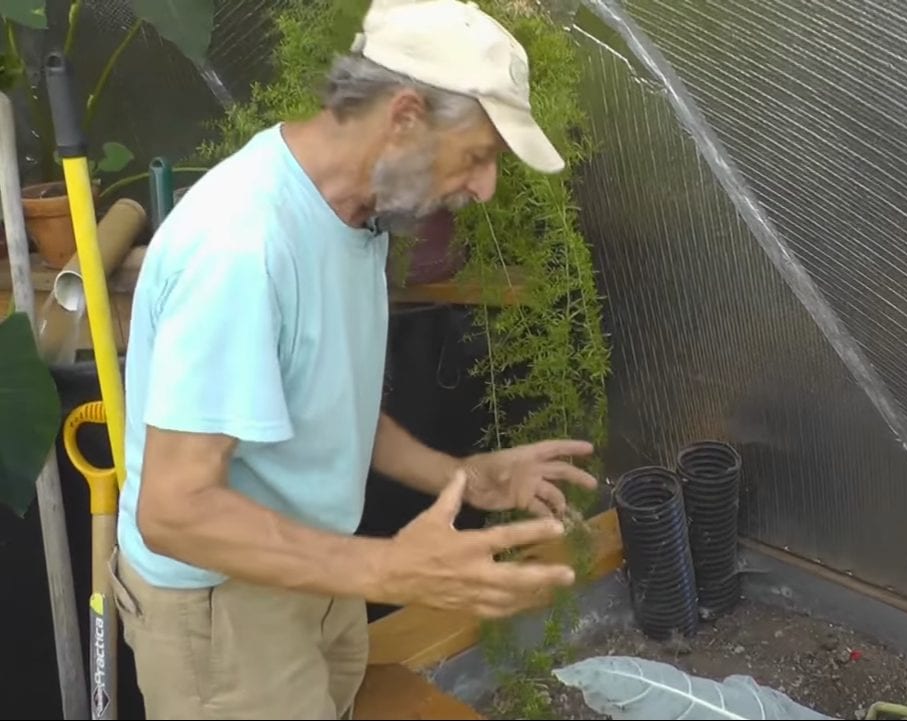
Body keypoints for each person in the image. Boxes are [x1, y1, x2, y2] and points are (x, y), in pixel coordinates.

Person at [108, 0, 598, 718]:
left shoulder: (356, 215)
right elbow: (175, 511)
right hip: (224, 612)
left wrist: (458, 477)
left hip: (312, 567)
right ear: (403, 117)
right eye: (480, 153)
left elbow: (326, 405)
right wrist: (390, 568)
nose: (485, 187)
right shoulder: (241, 248)